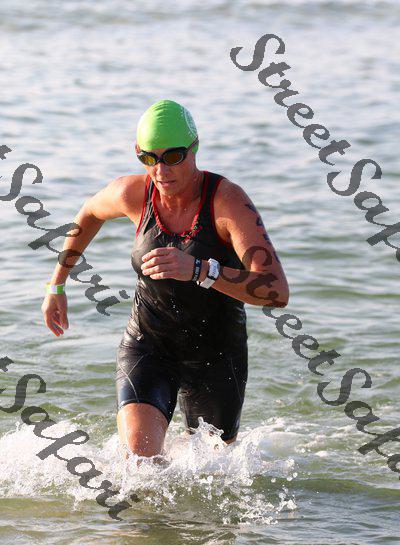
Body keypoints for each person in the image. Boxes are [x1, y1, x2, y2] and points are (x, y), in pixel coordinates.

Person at [41, 99, 289, 463]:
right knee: (140, 461)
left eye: (173, 157)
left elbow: (276, 290)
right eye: (149, 158)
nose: (161, 170)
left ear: (194, 148)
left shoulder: (228, 203)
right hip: (149, 342)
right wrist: (57, 285)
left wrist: (201, 270)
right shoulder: (133, 194)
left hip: (216, 352)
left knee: (212, 474)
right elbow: (89, 213)